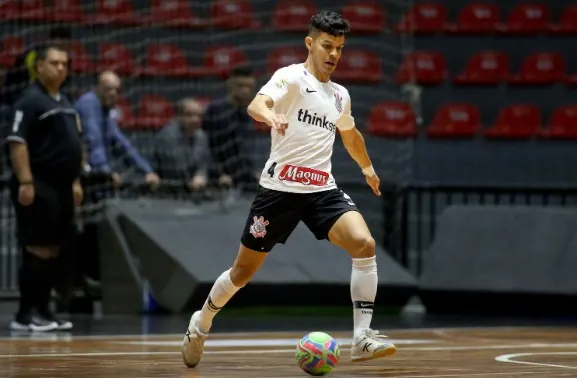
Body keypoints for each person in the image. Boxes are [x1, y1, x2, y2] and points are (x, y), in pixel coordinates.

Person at [182, 10, 396, 367]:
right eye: (327, 46)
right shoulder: (291, 78)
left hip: (321, 189)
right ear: (310, 43)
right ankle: (201, 323)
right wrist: (272, 116)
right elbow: (256, 104)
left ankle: (361, 338)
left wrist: (367, 169)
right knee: (242, 273)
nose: (334, 55)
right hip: (279, 190)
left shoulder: (340, 95)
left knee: (364, 243)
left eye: (340, 48)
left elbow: (350, 135)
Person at [6, 44, 83, 331]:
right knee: (37, 247)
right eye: (54, 63)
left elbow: (75, 143)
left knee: (53, 249)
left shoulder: (63, 100)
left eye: (65, 63)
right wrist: (26, 181)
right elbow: (17, 141)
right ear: (39, 66)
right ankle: (25, 314)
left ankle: (44, 310)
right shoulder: (29, 100)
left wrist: (75, 180)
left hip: (62, 186)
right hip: (39, 183)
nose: (61, 68)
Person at [202, 65, 258, 191]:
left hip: (244, 178)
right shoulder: (216, 110)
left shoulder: (248, 111)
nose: (245, 91)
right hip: (220, 178)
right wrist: (218, 174)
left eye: (249, 87)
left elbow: (246, 148)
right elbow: (207, 145)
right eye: (240, 85)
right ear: (230, 85)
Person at [3, 27, 73, 107]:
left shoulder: (65, 60)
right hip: (19, 94)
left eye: (67, 44)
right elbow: (31, 82)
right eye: (61, 43)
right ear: (52, 41)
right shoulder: (33, 55)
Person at [154, 98, 212, 191]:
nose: (195, 119)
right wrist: (192, 181)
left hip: (193, 189)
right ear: (178, 116)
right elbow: (175, 169)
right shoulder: (167, 136)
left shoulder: (202, 136)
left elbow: (203, 163)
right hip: (168, 189)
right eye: (189, 115)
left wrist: (200, 176)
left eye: (199, 116)